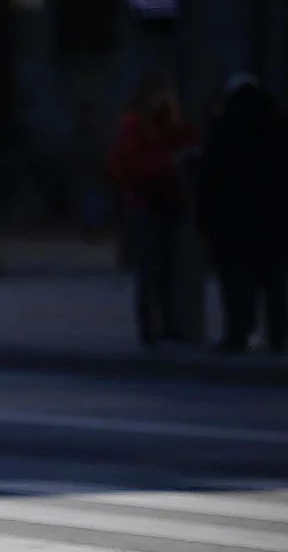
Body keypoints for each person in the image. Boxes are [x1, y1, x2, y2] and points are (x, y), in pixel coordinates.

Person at [197, 74, 288, 353]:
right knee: (274, 280)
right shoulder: (277, 125)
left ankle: (238, 334)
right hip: (274, 219)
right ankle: (278, 336)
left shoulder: (224, 128)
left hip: (232, 219)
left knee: (237, 278)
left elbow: (210, 176)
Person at [109, 73, 198, 348]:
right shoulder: (135, 125)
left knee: (168, 268)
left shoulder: (171, 125)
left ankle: (169, 325)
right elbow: (131, 164)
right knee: (150, 267)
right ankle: (151, 328)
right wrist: (169, 163)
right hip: (145, 202)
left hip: (169, 203)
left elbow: (187, 143)